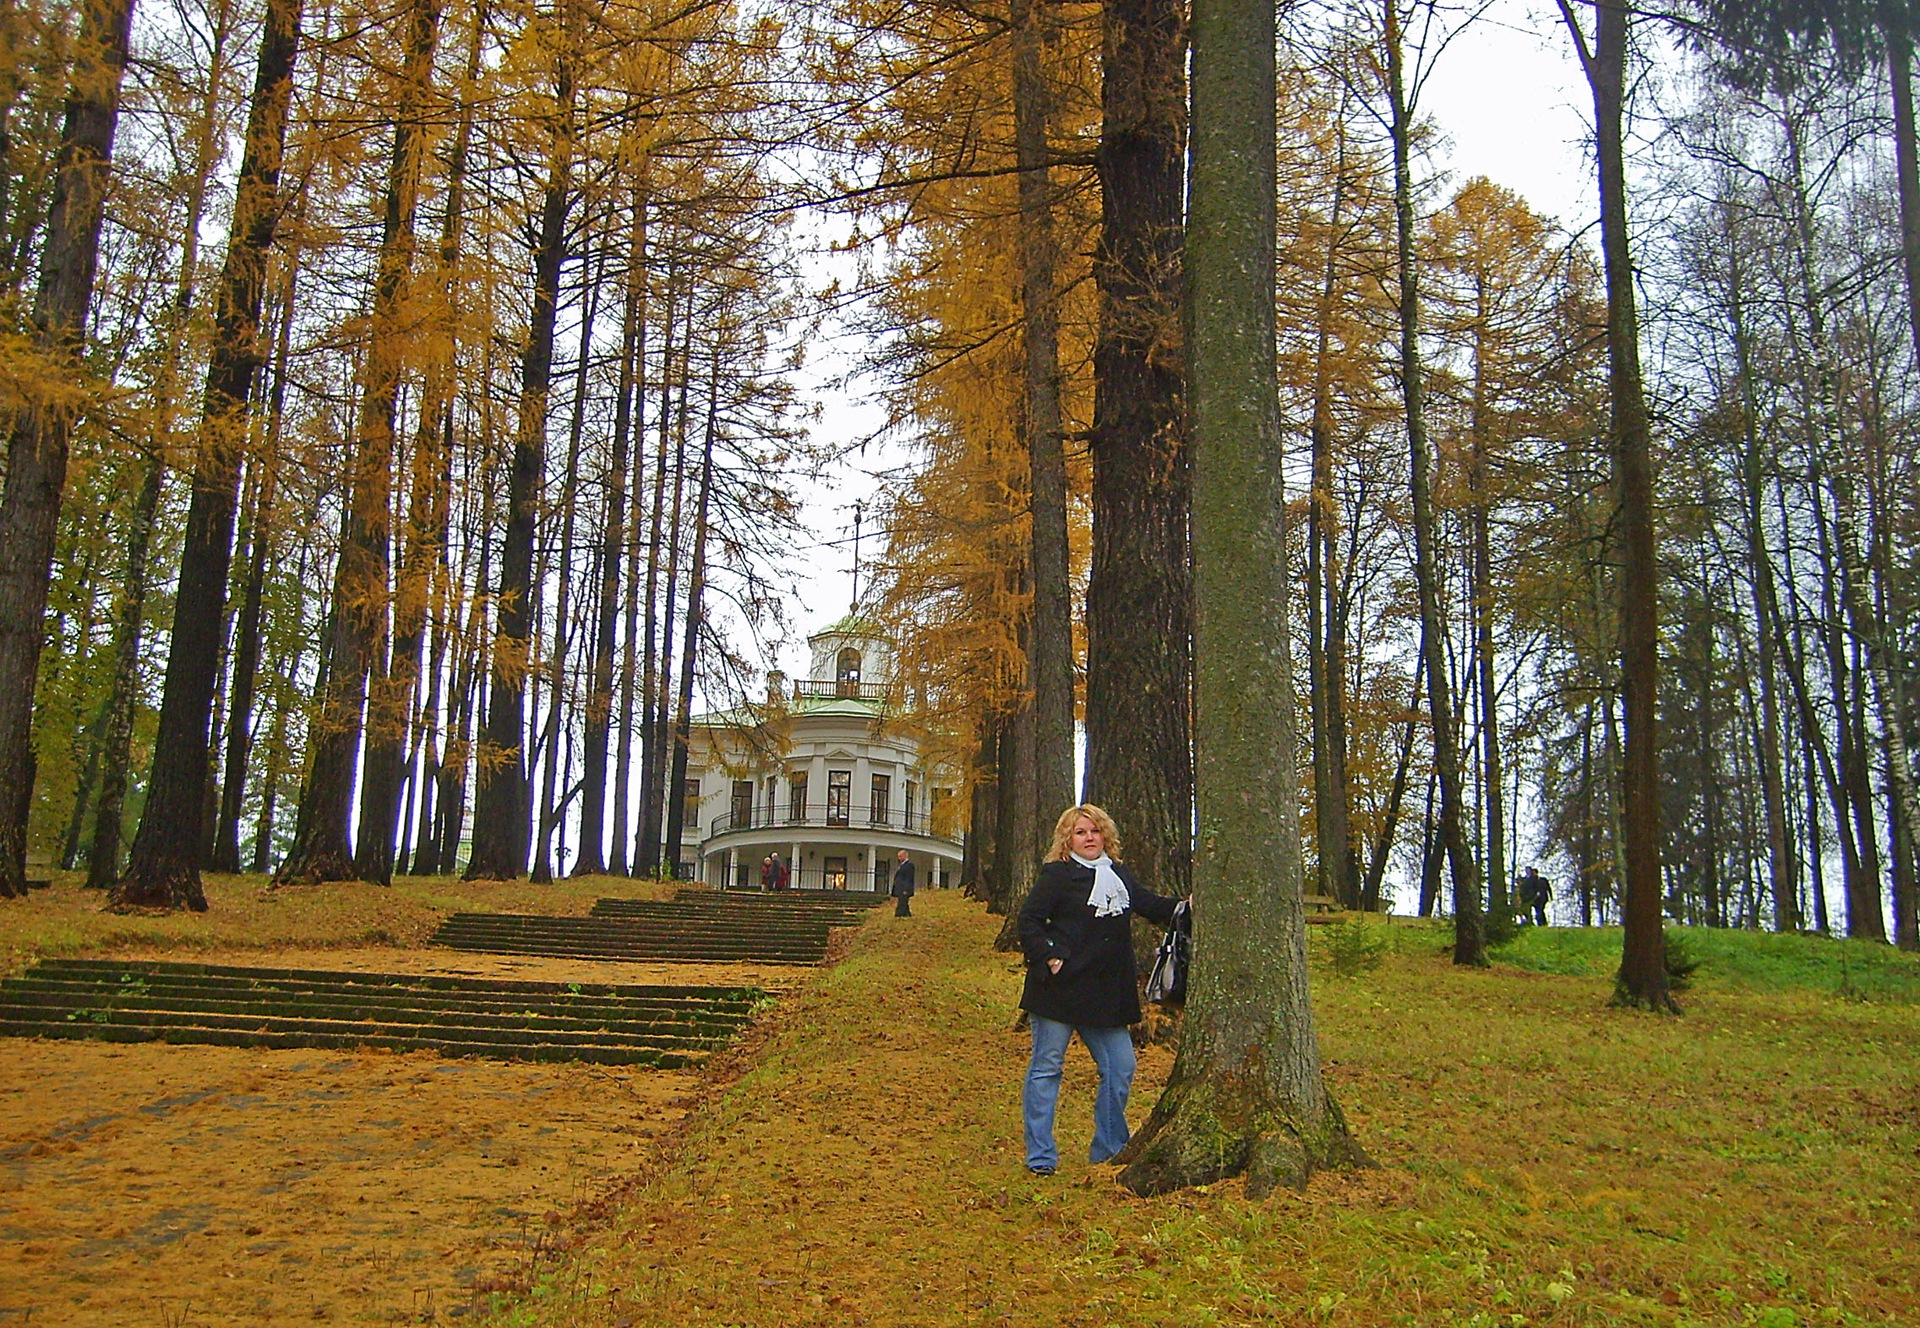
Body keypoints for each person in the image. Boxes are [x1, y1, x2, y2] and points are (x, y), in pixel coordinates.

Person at [1016, 804, 1179, 1177]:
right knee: (1046, 1070)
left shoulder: (1117, 873)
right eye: (1080, 833)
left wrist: (1186, 908)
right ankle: (1040, 1158)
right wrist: (1051, 957)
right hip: (1058, 990)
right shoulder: (1058, 875)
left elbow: (1149, 904)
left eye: (1094, 831)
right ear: (1067, 840)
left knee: (1121, 1066)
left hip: (1104, 994)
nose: (1089, 838)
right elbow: (1029, 920)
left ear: (1105, 835)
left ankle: (1108, 1149)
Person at [890, 849, 915, 917]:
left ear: (905, 856)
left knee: (902, 903)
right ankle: (907, 915)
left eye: (900, 856)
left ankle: (899, 916)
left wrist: (906, 889)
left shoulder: (909, 865)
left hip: (904, 889)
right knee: (903, 903)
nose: (899, 858)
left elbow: (909, 878)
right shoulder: (901, 865)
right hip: (899, 888)